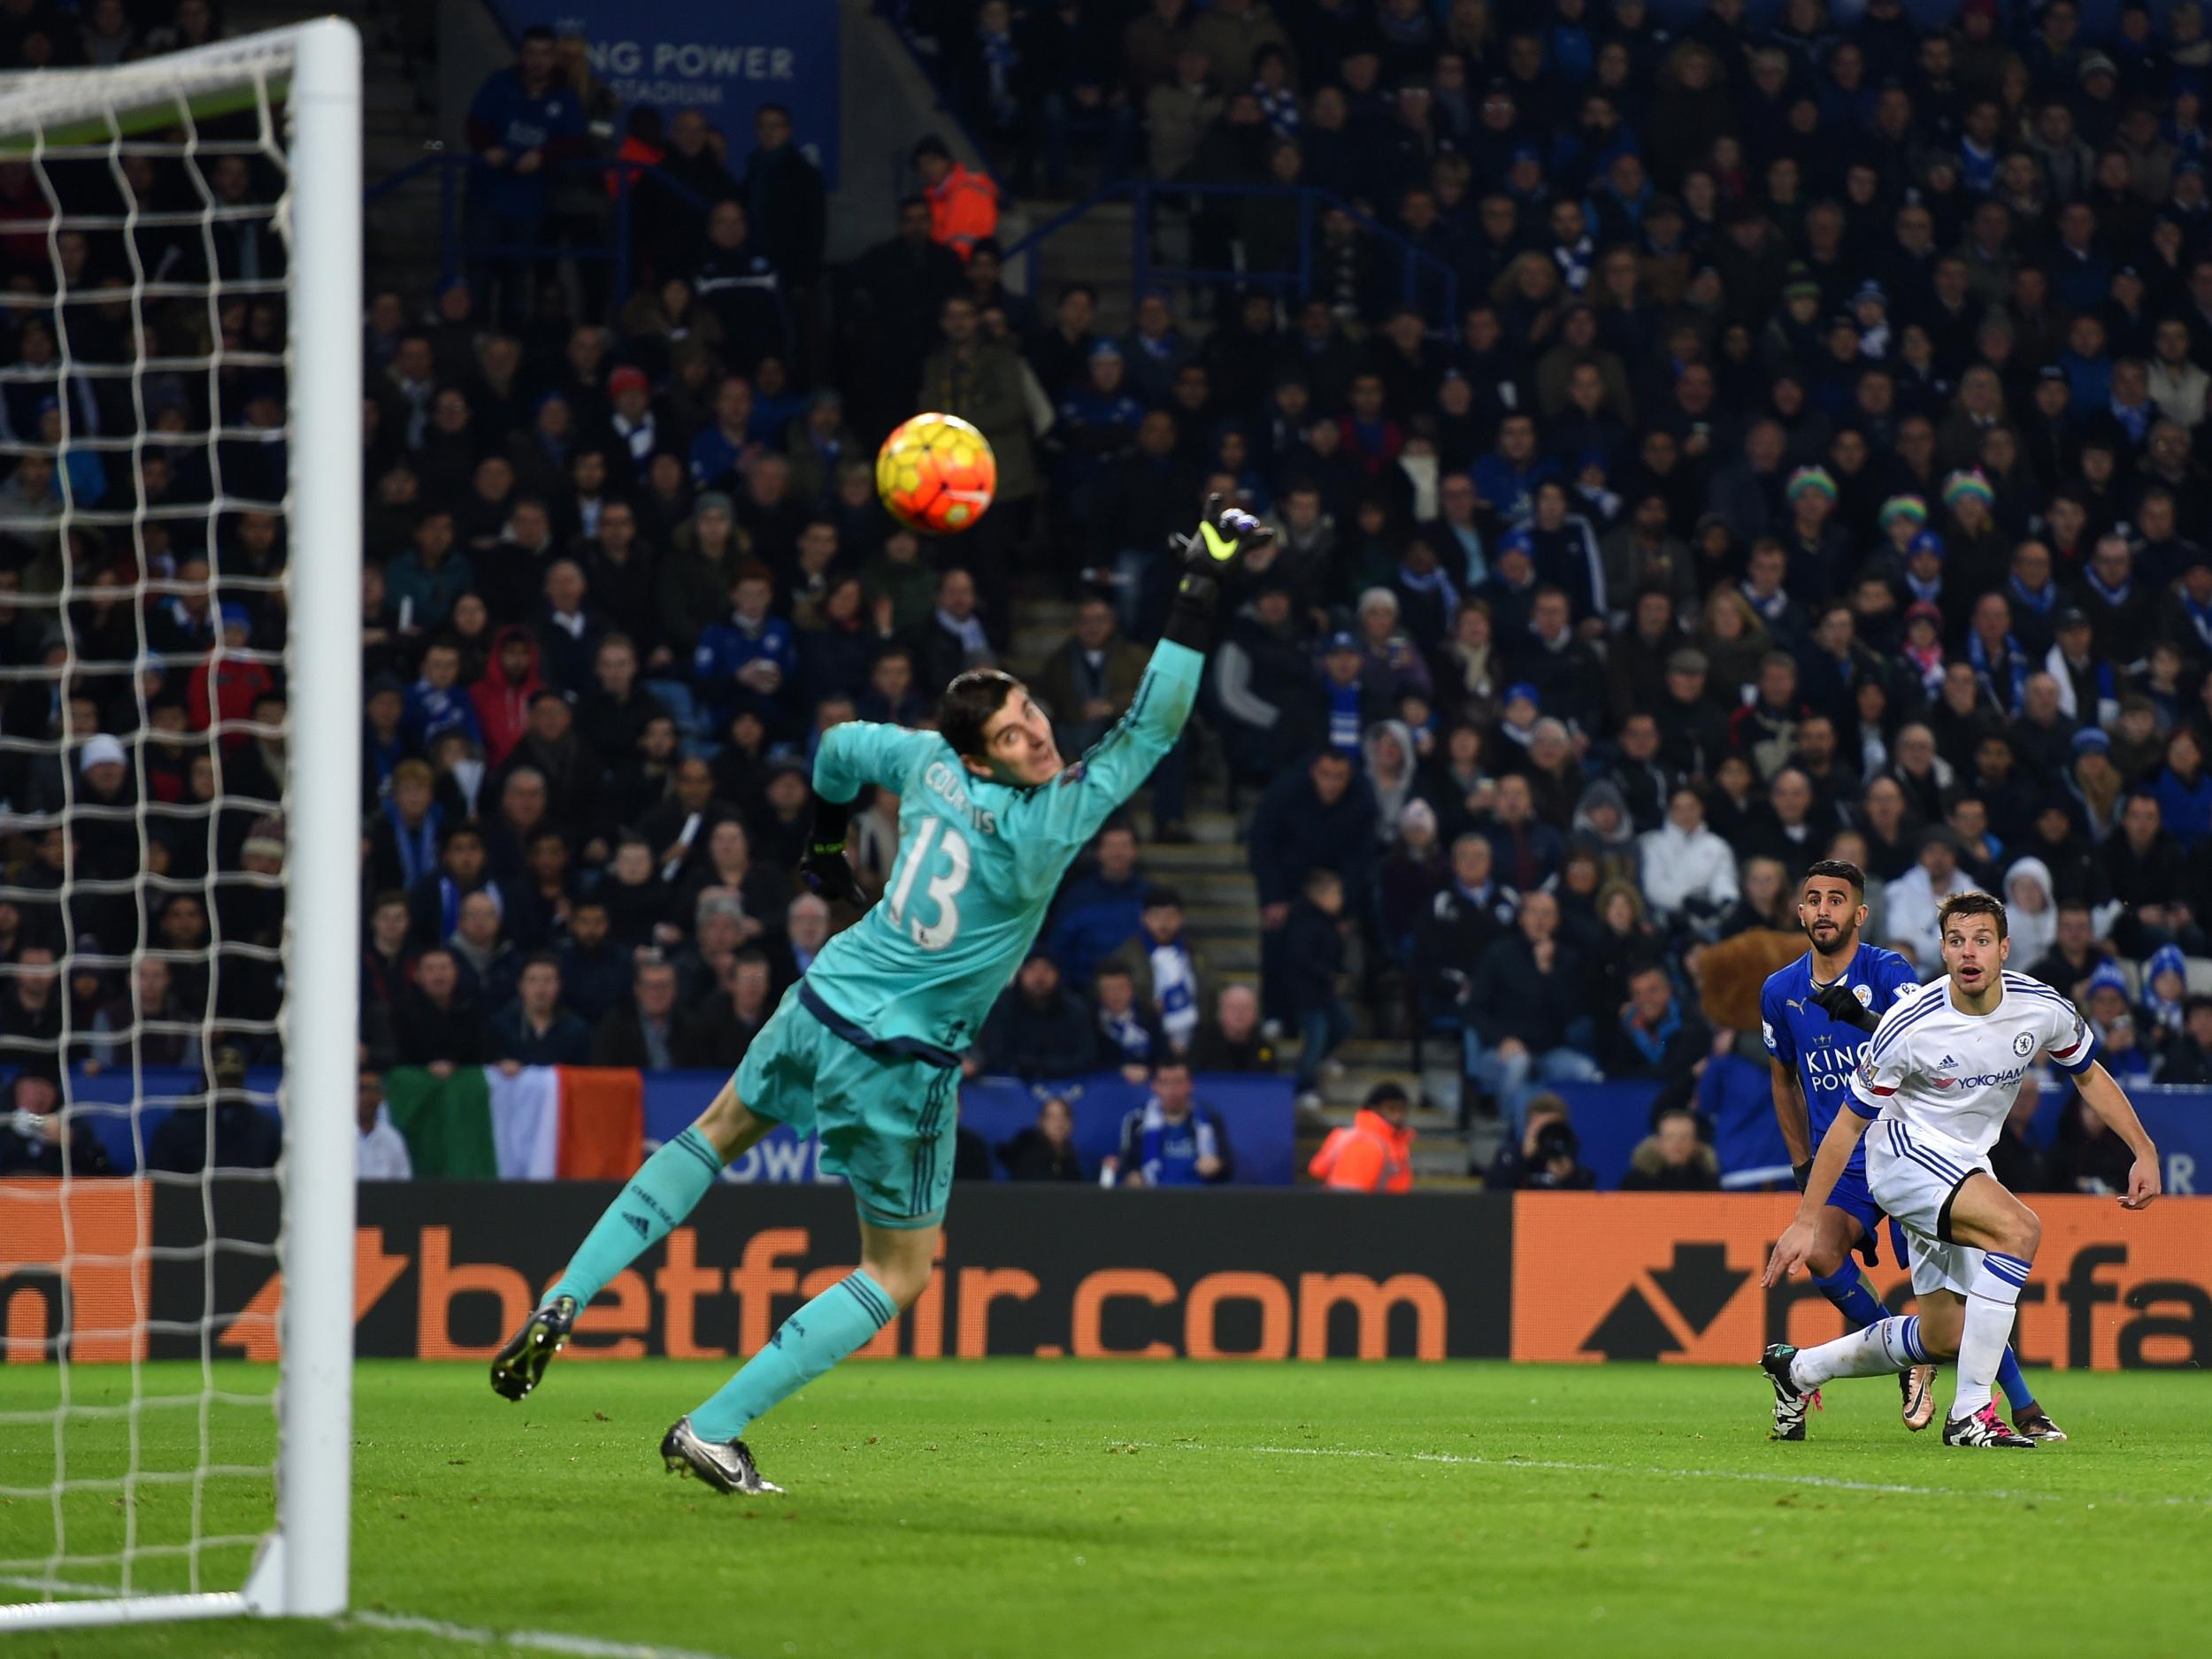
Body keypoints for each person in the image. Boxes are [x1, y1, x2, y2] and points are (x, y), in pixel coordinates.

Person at [488, 499, 1271, 1494]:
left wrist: (822, 846)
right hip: (899, 1062)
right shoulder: (1046, 825)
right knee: (898, 1271)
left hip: (819, 1000)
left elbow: (836, 753)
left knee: (715, 1132)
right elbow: (1151, 724)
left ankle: (566, 1295)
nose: (1037, 731)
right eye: (1015, 730)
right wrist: (1202, 580)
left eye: (1031, 710)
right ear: (983, 756)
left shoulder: (928, 761)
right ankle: (712, 1426)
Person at [1763, 892, 2161, 1448]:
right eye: (1955, 941)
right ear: (1944, 953)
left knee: (1944, 1336)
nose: (1968, 952)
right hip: (1903, 1155)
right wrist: (1807, 1220)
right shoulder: (1909, 1024)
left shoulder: (2041, 1007)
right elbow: (1847, 1127)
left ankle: (1799, 1370)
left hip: (1966, 1163)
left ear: (2003, 948)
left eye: (1980, 940)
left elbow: (2088, 1073)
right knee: (2020, 1230)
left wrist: (2143, 1149)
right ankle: (1971, 1414)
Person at [1756, 857, 1988, 1432]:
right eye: (1813, 898)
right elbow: (1782, 1077)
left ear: (1859, 913)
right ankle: (1909, 1365)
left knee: (1947, 1299)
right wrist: (1801, 1163)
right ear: (1800, 909)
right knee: (1820, 1252)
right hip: (1843, 1160)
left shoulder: (1887, 969)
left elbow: (1923, 1042)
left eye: (1836, 899)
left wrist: (1862, 1017)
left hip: (1908, 1146)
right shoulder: (1779, 990)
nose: (1823, 909)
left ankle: (1996, 1405)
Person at [1111, 1058, 1231, 1187]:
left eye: (1178, 1082)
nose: (1172, 1089)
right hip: (1152, 1197)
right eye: (1165, 1082)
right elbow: (1126, 1161)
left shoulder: (1209, 1119)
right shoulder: (1137, 1119)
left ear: (1190, 1085)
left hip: (1198, 1197)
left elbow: (1228, 1166)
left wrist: (1217, 1165)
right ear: (1154, 1086)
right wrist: (1132, 1175)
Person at [1308, 1080, 1416, 1192]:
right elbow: (1350, 1198)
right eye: (1391, 1109)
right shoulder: (1364, 1143)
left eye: (1402, 1110)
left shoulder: (1394, 1142)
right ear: (1375, 1108)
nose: (1398, 1116)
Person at [1619, 1105, 1722, 1191]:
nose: (1677, 1143)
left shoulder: (1708, 1182)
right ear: (1659, 1143)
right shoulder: (1636, 1183)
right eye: (1670, 1137)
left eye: (1684, 1137)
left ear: (1695, 1143)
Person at [998, 1094, 1087, 1182]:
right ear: (1041, 1122)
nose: (1060, 1123)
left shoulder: (1070, 1157)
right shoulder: (1027, 1152)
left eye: (1065, 1116)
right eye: (1052, 1117)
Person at [356, 1070, 414, 1181]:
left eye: (374, 1090)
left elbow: (404, 1180)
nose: (368, 1096)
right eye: (362, 1090)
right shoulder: (335, 1137)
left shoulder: (392, 1138)